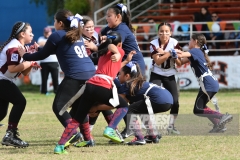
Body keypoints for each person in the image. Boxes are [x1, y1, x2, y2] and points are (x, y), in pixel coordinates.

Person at [18, 9, 96, 148]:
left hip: (76, 75)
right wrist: (39, 50)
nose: (54, 24)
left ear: (60, 23)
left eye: (55, 21)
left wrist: (25, 55)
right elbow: (56, 50)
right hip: (90, 73)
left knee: (58, 107)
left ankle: (73, 133)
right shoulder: (75, 34)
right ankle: (88, 139)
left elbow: (43, 55)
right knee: (79, 107)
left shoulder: (57, 35)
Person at [53, 31, 131, 154]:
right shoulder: (119, 51)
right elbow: (112, 47)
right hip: (102, 86)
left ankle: (60, 146)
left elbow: (114, 64)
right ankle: (110, 129)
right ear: (120, 44)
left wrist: (126, 61)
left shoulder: (102, 53)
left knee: (77, 119)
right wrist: (116, 51)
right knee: (124, 105)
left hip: (90, 85)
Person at [175, 33, 233, 132]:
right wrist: (173, 54)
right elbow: (179, 62)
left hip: (208, 84)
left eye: (190, 40)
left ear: (195, 41)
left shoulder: (195, 50)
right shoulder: (196, 52)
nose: (189, 42)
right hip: (208, 84)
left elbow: (180, 54)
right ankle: (219, 125)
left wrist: (170, 50)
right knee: (202, 107)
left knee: (197, 109)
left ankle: (222, 116)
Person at [0, 21, 41, 148]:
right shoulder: (14, 47)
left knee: (1, 113)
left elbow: (24, 72)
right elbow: (12, 69)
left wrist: (30, 58)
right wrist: (30, 61)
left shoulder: (21, 47)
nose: (32, 34)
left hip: (4, 80)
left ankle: (10, 135)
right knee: (20, 101)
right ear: (22, 34)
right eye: (30, 32)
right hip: (2, 80)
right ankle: (10, 135)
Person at [113, 62, 173, 145]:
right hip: (168, 99)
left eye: (120, 74)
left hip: (159, 99)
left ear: (127, 76)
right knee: (140, 109)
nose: (118, 76)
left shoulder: (126, 84)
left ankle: (139, 138)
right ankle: (153, 135)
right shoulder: (136, 82)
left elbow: (119, 103)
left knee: (128, 110)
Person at [77, 15, 115, 132]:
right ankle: (112, 129)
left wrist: (100, 45)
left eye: (92, 27)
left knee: (97, 103)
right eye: (87, 27)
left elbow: (102, 54)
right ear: (81, 28)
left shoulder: (95, 38)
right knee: (90, 104)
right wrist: (97, 49)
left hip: (98, 75)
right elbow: (89, 59)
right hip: (86, 75)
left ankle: (89, 131)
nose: (91, 29)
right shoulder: (80, 40)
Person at [149, 22, 182, 135]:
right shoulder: (153, 43)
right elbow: (158, 61)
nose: (164, 34)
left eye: (167, 31)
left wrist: (174, 55)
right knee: (150, 99)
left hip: (170, 74)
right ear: (158, 33)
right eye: (161, 31)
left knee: (175, 102)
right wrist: (169, 53)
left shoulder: (175, 43)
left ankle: (171, 126)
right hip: (156, 73)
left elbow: (179, 63)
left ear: (171, 33)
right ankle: (151, 127)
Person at [101, 3, 146, 76]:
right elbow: (101, 33)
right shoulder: (111, 27)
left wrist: (96, 45)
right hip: (124, 62)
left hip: (134, 63)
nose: (106, 18)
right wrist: (102, 36)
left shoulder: (122, 29)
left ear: (118, 16)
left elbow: (112, 44)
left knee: (130, 87)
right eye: (106, 16)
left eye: (109, 16)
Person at [37, 27, 59, 95]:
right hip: (44, 62)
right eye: (46, 32)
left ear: (51, 32)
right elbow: (39, 44)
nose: (47, 34)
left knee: (55, 78)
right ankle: (44, 91)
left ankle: (56, 91)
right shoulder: (41, 38)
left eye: (48, 32)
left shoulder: (54, 38)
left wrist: (46, 43)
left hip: (54, 61)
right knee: (44, 78)